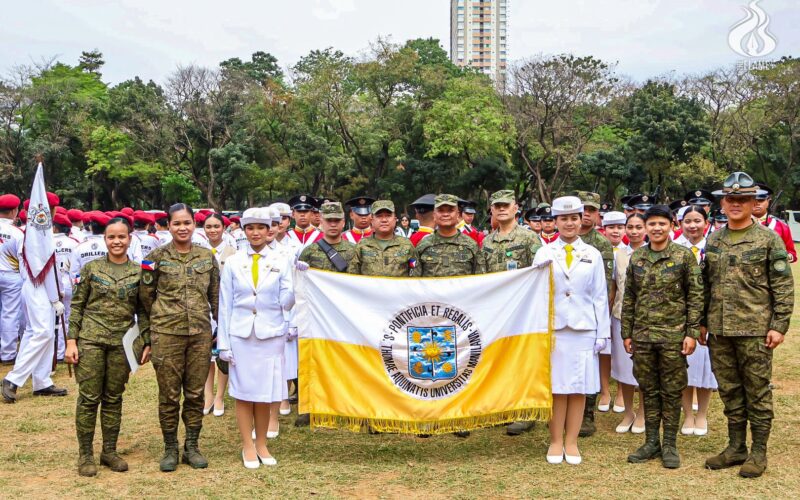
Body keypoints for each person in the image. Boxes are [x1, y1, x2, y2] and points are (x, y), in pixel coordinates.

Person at [701, 172, 794, 478]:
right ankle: (736, 447)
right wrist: (701, 323)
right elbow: (705, 284)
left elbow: (782, 286)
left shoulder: (769, 239)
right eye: (731, 199)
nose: (736, 204)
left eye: (743, 199)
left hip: (755, 330)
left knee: (757, 392)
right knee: (729, 390)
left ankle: (758, 452)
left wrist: (779, 325)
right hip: (720, 329)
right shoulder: (714, 239)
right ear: (723, 203)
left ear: (754, 203)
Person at [65, 217, 151, 476]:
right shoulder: (91, 269)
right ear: (105, 239)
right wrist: (71, 341)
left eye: (121, 237)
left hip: (120, 344)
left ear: (130, 239)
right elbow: (77, 305)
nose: (117, 241)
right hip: (91, 340)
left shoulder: (139, 271)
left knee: (113, 397)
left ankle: (109, 451)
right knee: (89, 398)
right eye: (112, 237)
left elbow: (143, 310)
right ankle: (85, 455)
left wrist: (147, 341)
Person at [139, 203, 220, 472]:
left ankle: (192, 446)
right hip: (166, 334)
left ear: (194, 224)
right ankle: (171, 447)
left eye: (187, 223)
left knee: (196, 393)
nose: (182, 228)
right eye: (177, 223)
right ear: (169, 226)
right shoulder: (154, 257)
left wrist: (221, 331)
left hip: (199, 334)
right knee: (169, 394)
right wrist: (150, 334)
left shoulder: (206, 256)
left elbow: (215, 296)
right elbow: (145, 298)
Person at [622, 204, 702, 469]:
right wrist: (627, 332)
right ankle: (651, 442)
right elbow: (630, 296)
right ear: (645, 227)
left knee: (671, 391)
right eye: (652, 224)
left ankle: (669, 445)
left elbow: (695, 296)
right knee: (648, 389)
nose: (657, 228)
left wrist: (691, 333)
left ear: (672, 226)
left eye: (662, 224)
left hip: (673, 337)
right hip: (643, 336)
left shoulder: (683, 256)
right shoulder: (638, 257)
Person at [533, 195, 609, 465]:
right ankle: (555, 441)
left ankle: (572, 442)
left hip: (583, 328)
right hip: (553, 328)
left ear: (581, 221)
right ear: (554, 222)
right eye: (563, 218)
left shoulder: (593, 254)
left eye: (574, 218)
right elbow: (536, 292)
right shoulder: (544, 253)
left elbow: (600, 295)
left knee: (578, 388)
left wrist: (603, 333)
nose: (569, 223)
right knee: (556, 387)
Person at [217, 207, 293, 469]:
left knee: (265, 392)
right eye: (251, 228)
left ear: (269, 229)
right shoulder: (234, 262)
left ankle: (261, 443)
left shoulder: (282, 261)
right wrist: (223, 344)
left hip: (271, 333)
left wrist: (299, 285)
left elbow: (287, 302)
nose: (256, 233)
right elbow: (225, 304)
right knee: (243, 392)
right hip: (240, 334)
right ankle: (247, 446)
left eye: (261, 227)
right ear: (244, 230)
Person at [417, 194, 486, 438]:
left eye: (450, 210)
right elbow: (414, 285)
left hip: (460, 319)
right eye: (441, 211)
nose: (446, 214)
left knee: (459, 368)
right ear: (434, 215)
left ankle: (458, 417)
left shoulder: (470, 246)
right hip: (430, 318)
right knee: (429, 366)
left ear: (458, 215)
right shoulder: (423, 246)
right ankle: (429, 416)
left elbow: (480, 281)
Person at [480, 190, 541, 436]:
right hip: (495, 311)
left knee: (523, 360)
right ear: (492, 210)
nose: (502, 209)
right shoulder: (486, 242)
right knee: (498, 360)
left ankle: (526, 411)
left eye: (506, 205)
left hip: (523, 312)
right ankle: (502, 408)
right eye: (497, 206)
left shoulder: (529, 239)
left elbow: (539, 273)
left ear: (516, 208)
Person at [2, 191, 68, 402]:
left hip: (32, 286)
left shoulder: (30, 231)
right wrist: (54, 296)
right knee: (43, 333)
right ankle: (13, 378)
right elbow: (44, 269)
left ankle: (42, 381)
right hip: (38, 286)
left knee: (36, 332)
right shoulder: (38, 233)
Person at [295, 201, 356, 427]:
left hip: (344, 315)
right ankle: (309, 407)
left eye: (337, 221)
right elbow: (299, 286)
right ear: (319, 221)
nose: (333, 225)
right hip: (316, 316)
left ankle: (348, 404)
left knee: (347, 360)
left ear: (343, 222)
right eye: (328, 220)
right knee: (313, 360)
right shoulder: (309, 251)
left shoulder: (353, 251)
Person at [673, 206, 718, 436]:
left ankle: (701, 415)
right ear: (680, 223)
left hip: (706, 317)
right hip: (679, 317)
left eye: (697, 220)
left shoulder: (713, 247)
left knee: (705, 367)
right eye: (687, 221)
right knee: (684, 368)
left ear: (706, 222)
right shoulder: (674, 248)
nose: (692, 225)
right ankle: (688, 415)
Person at [574, 191, 614, 437]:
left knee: (588, 366)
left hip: (589, 314)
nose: (586, 215)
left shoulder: (601, 244)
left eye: (591, 210)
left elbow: (606, 287)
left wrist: (601, 323)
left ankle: (587, 414)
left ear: (598, 214)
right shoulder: (558, 241)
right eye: (583, 210)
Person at [610, 214, 646, 433]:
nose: (633, 231)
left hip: (646, 320)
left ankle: (642, 413)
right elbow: (614, 287)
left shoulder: (653, 253)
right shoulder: (619, 255)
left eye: (638, 227)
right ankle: (628, 413)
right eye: (629, 227)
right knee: (623, 368)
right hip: (621, 317)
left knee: (643, 368)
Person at [202, 213, 237, 418]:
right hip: (203, 309)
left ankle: (220, 396)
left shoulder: (233, 252)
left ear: (224, 228)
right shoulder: (199, 252)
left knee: (222, 354)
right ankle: (208, 394)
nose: (213, 230)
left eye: (216, 226)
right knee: (206, 355)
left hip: (224, 309)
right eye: (208, 227)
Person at [349, 200, 419, 277]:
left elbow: (415, 275)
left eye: (388, 215)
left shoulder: (407, 245)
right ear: (372, 220)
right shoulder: (361, 246)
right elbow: (352, 277)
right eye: (379, 216)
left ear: (395, 220)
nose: (384, 220)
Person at [0, 194, 24, 365]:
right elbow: (22, 259)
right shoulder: (17, 233)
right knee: (10, 314)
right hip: (11, 275)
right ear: (15, 211)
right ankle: (8, 354)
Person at [53, 212, 80, 361]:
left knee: (48, 321)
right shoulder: (74, 243)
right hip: (69, 283)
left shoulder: (45, 242)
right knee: (68, 319)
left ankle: (51, 354)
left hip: (50, 285)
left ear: (55, 228)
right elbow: (76, 270)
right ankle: (62, 351)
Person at [753, 183, 797, 263]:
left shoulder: (782, 226)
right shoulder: (737, 225)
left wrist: (786, 255)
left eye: (761, 200)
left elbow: (792, 253)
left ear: (768, 200)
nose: (757, 203)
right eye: (753, 200)